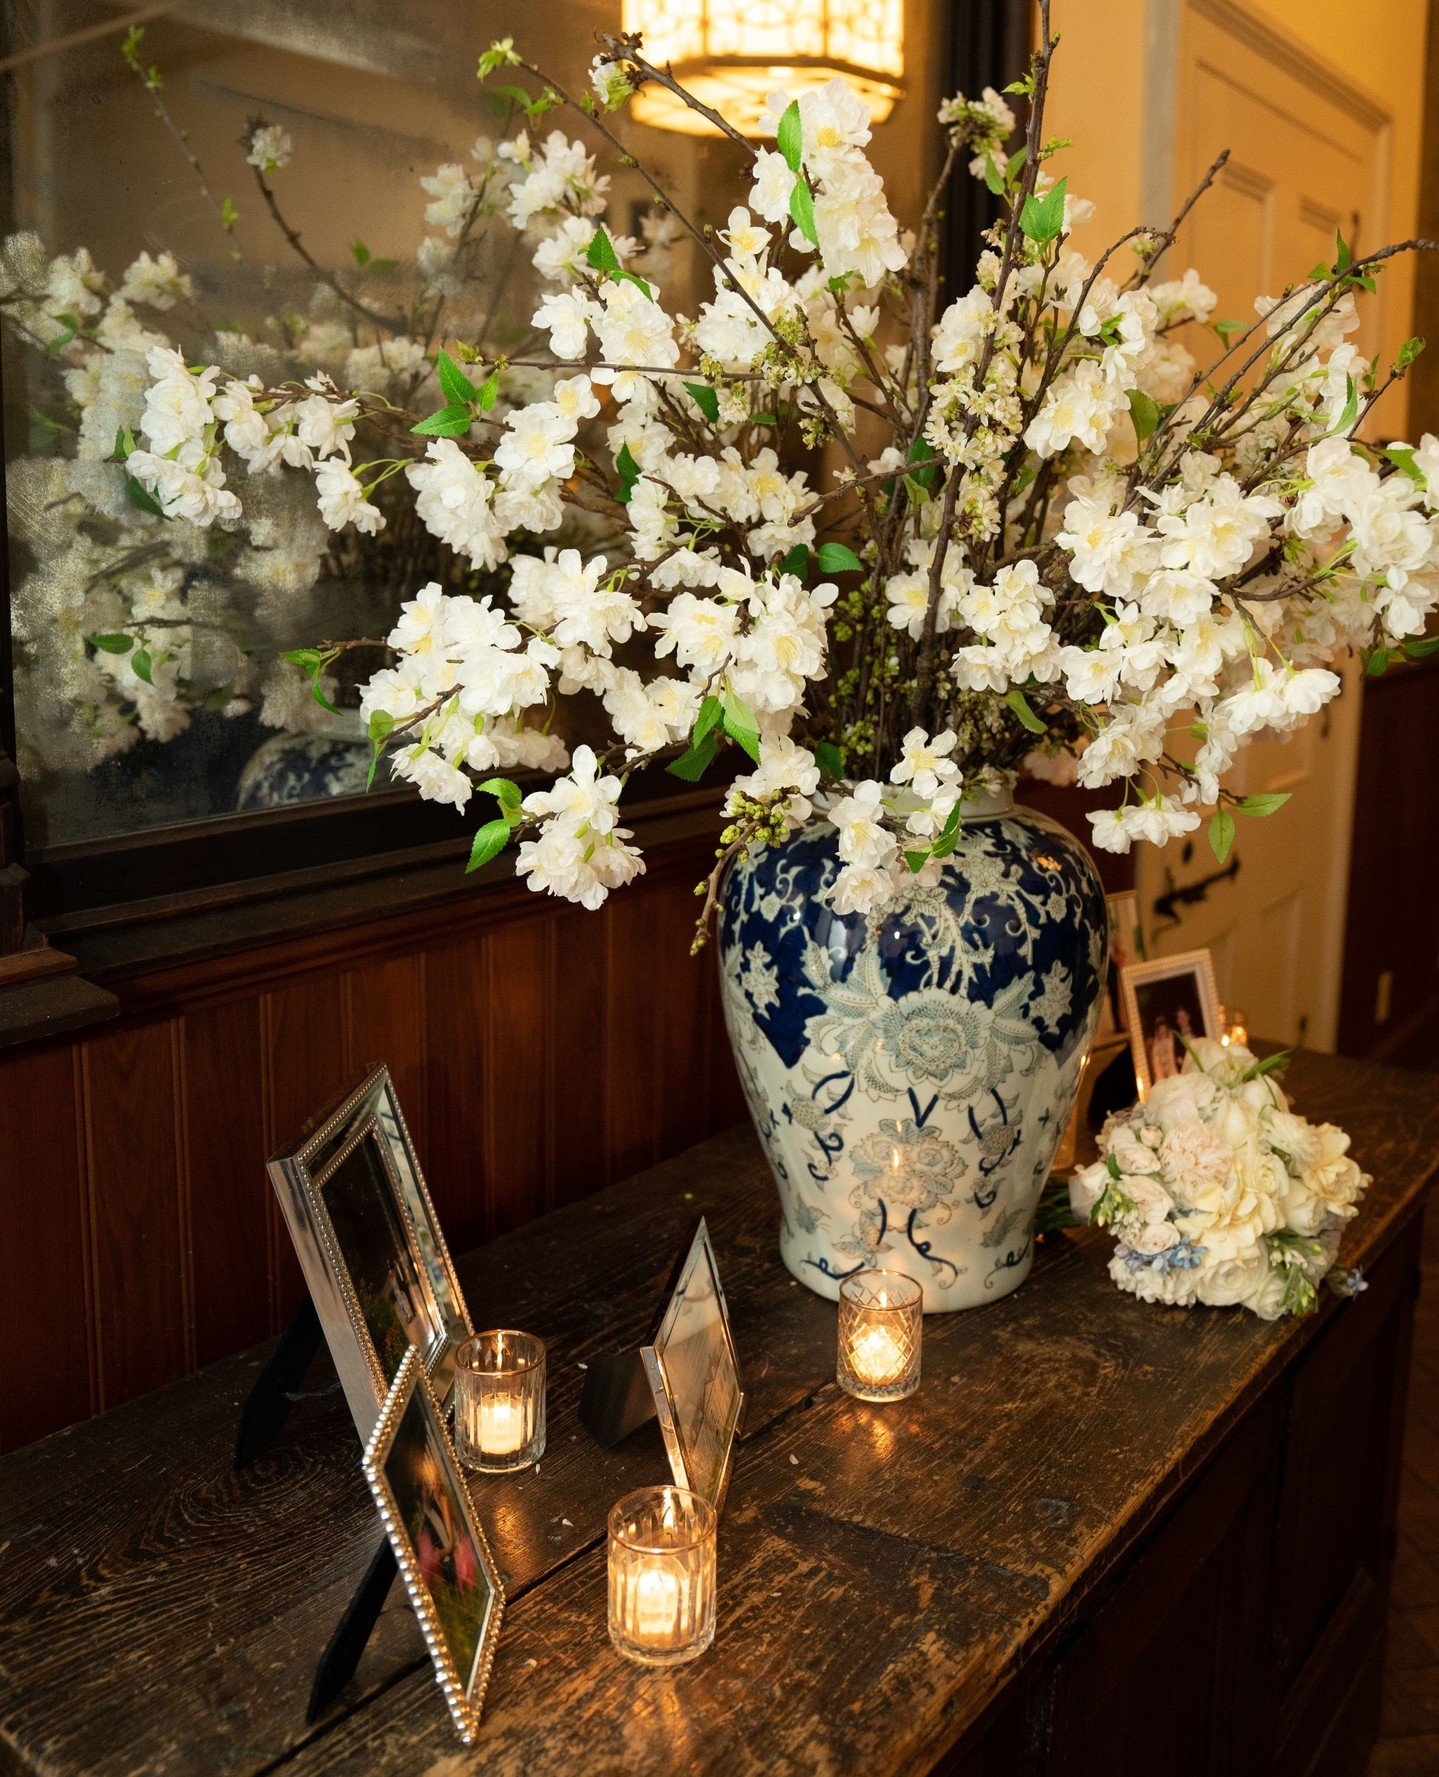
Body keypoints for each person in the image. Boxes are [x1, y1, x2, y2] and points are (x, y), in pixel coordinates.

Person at [1148, 1014, 1180, 1081]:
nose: (1162, 1030)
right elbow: (1156, 1064)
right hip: (1161, 1078)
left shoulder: (1172, 1041)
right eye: (1160, 1029)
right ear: (1157, 1032)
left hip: (1174, 1075)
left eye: (1164, 1030)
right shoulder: (1155, 1047)